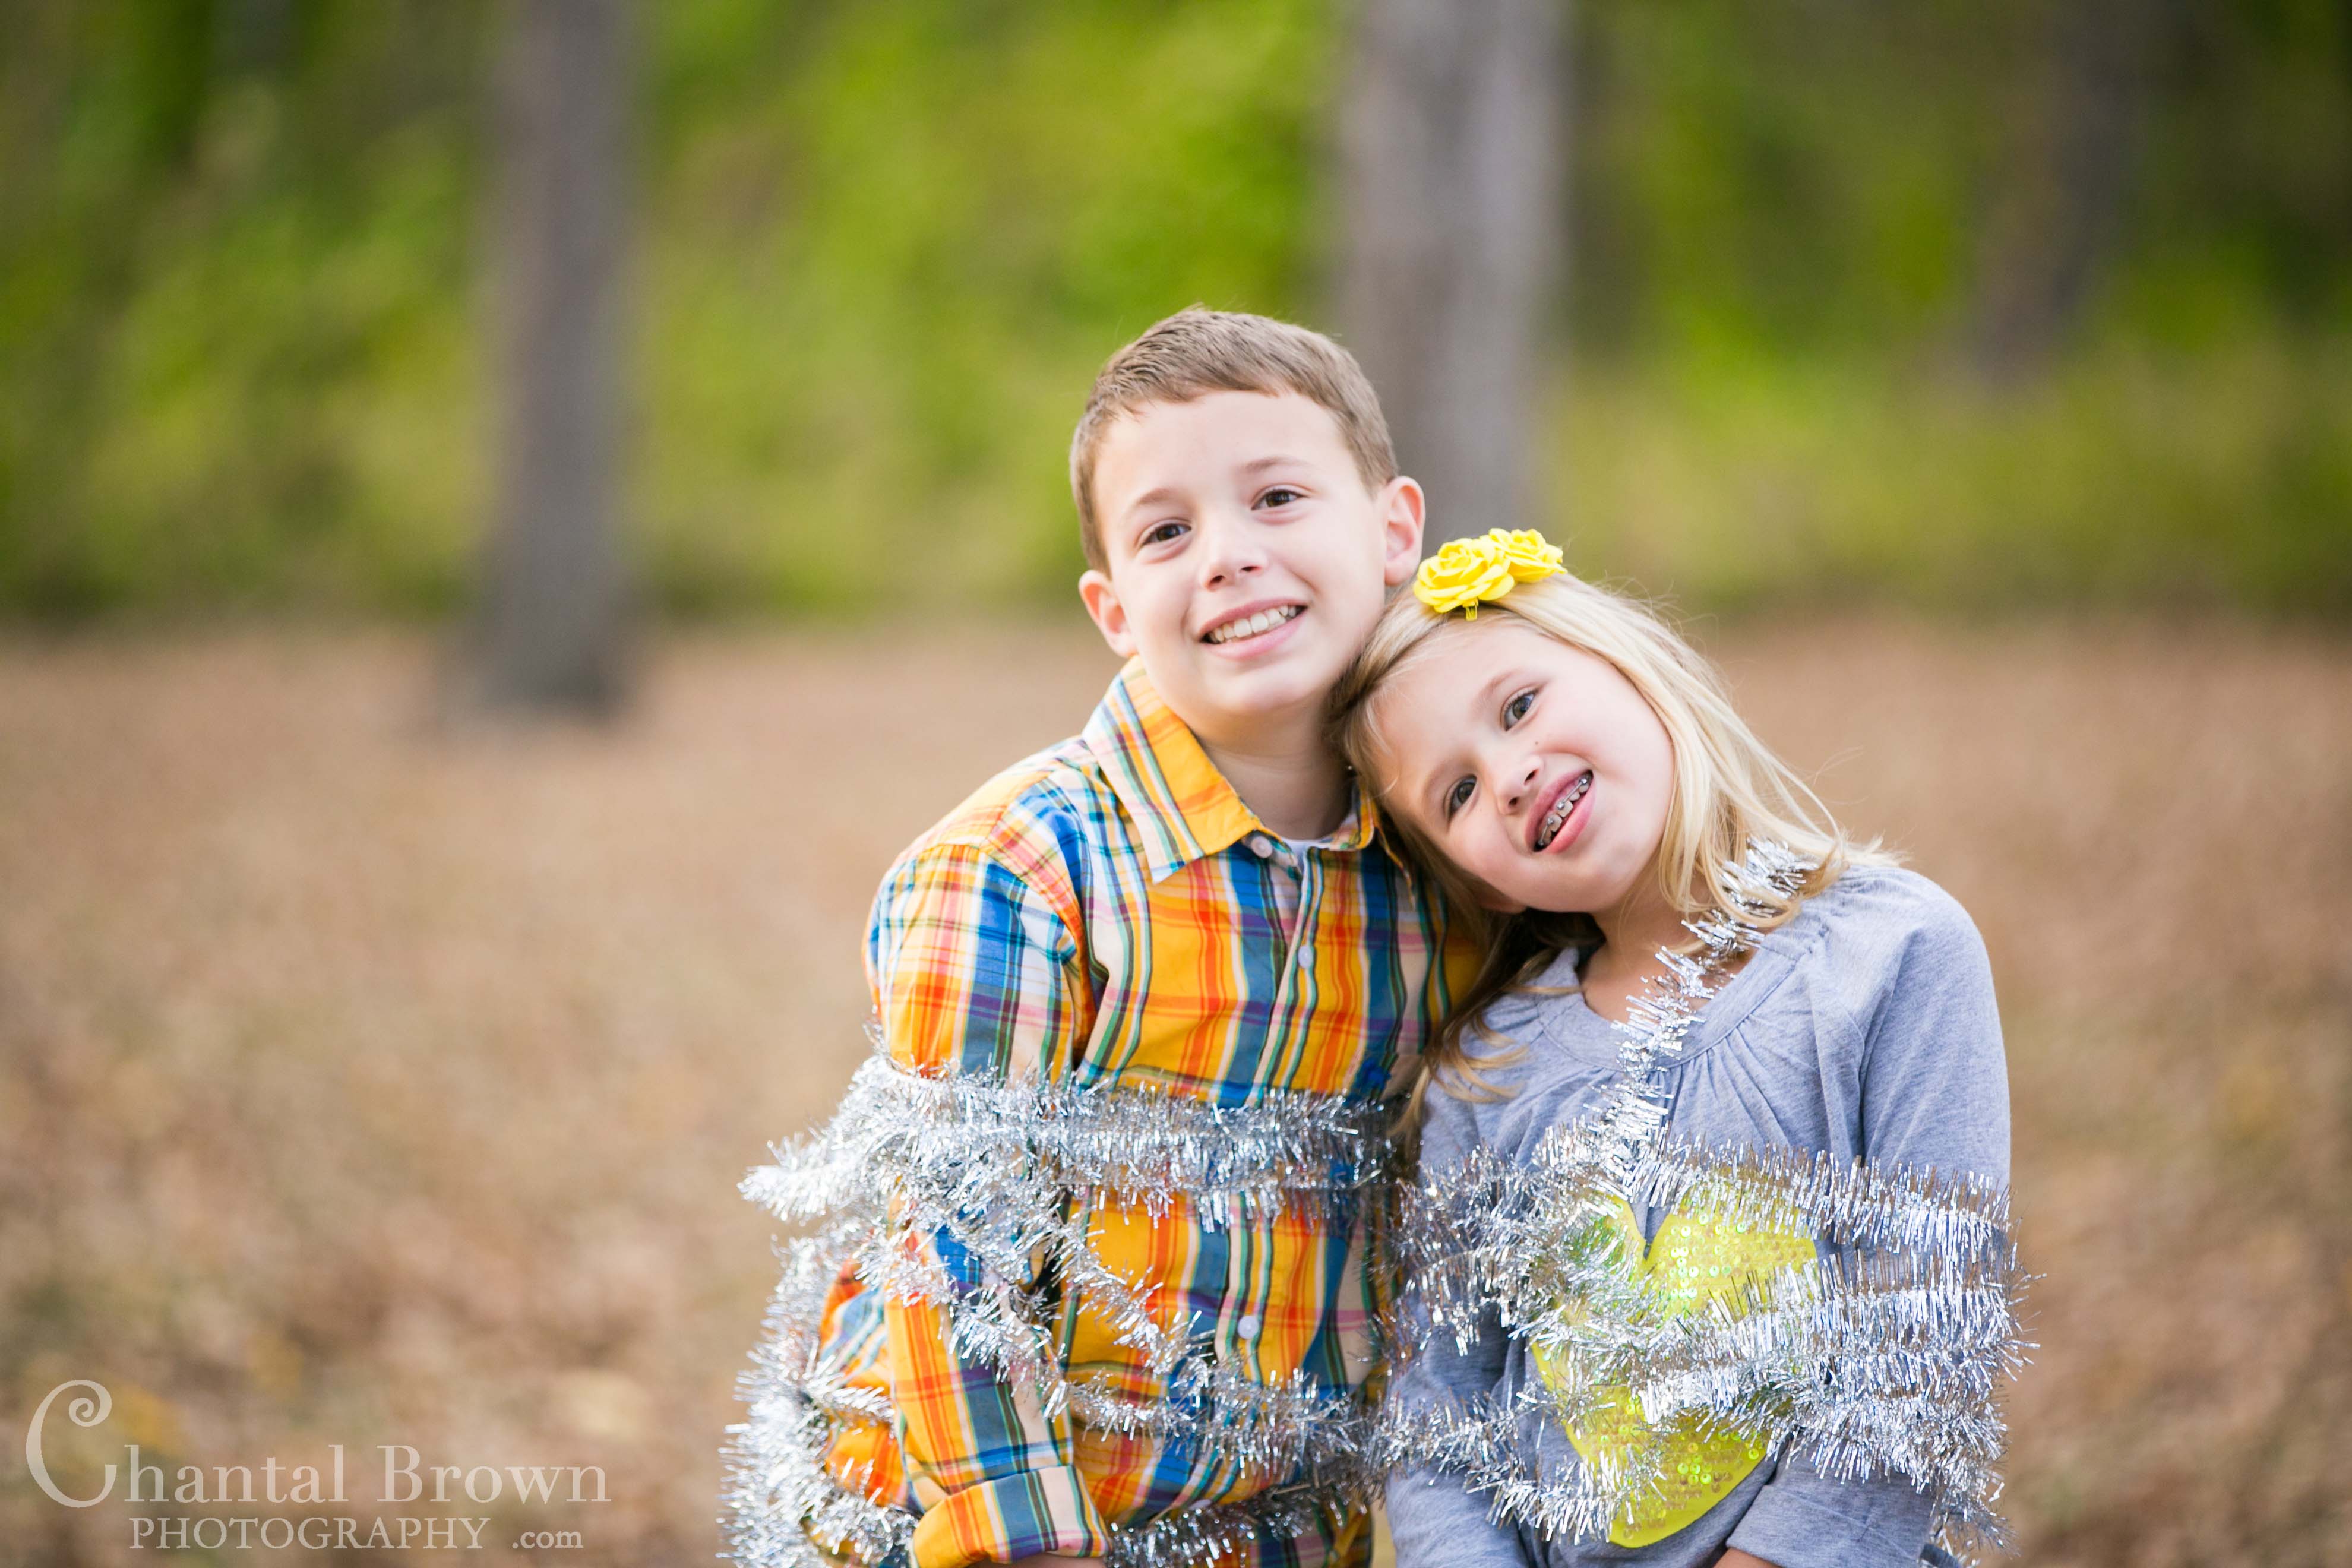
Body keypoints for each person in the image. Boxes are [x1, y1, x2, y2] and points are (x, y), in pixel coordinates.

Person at [724, 308, 1478, 1568]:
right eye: (1167, 532)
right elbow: (955, 1243)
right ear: (1113, 606)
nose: (1228, 557)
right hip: (991, 1518)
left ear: (1395, 528)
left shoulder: (1443, 863)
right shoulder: (1024, 872)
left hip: (1283, 1528)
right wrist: (1025, 1536)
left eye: (1278, 498)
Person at [1326, 532, 2020, 1568]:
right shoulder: (1491, 1072)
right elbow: (1441, 1419)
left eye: (1519, 708)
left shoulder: (1892, 957)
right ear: (1484, 886)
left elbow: (1922, 1348)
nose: (1509, 775)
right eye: (1457, 795)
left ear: (1631, 667)